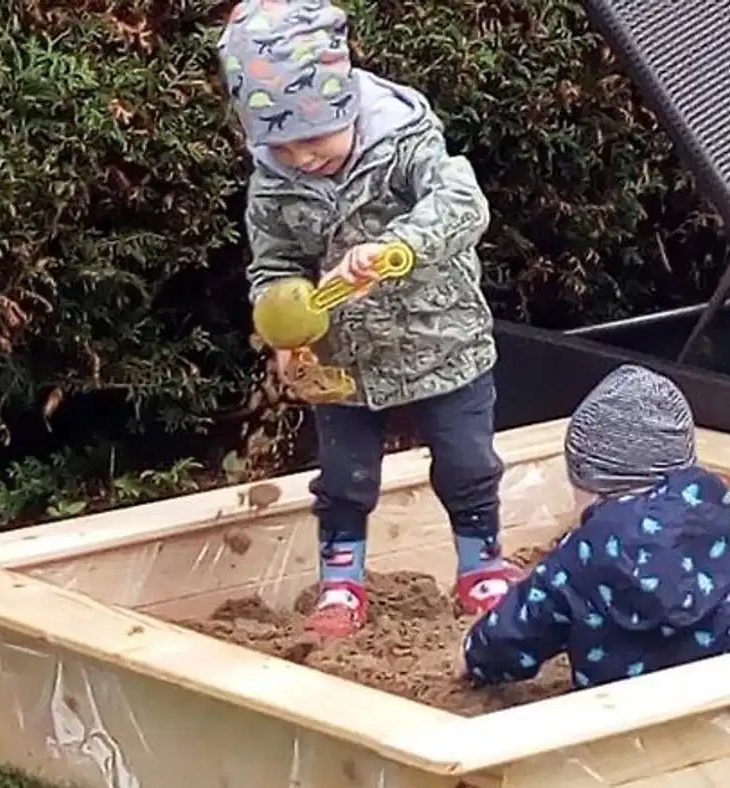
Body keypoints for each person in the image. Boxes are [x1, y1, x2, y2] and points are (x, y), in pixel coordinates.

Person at [219, 0, 515, 638]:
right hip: (344, 363)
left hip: (443, 341)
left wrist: (395, 249)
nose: (300, 157)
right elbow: (273, 266)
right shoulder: (273, 183)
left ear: (345, 102)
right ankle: (342, 580)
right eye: (280, 144)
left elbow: (463, 204)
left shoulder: (404, 140)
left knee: (468, 464)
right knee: (345, 480)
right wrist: (285, 329)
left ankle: (481, 563)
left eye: (313, 137)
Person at [460, 364, 730, 690]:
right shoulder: (722, 529)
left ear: (590, 482)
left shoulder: (581, 556)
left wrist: (476, 659)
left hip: (616, 720)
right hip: (717, 704)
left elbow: (513, 636)